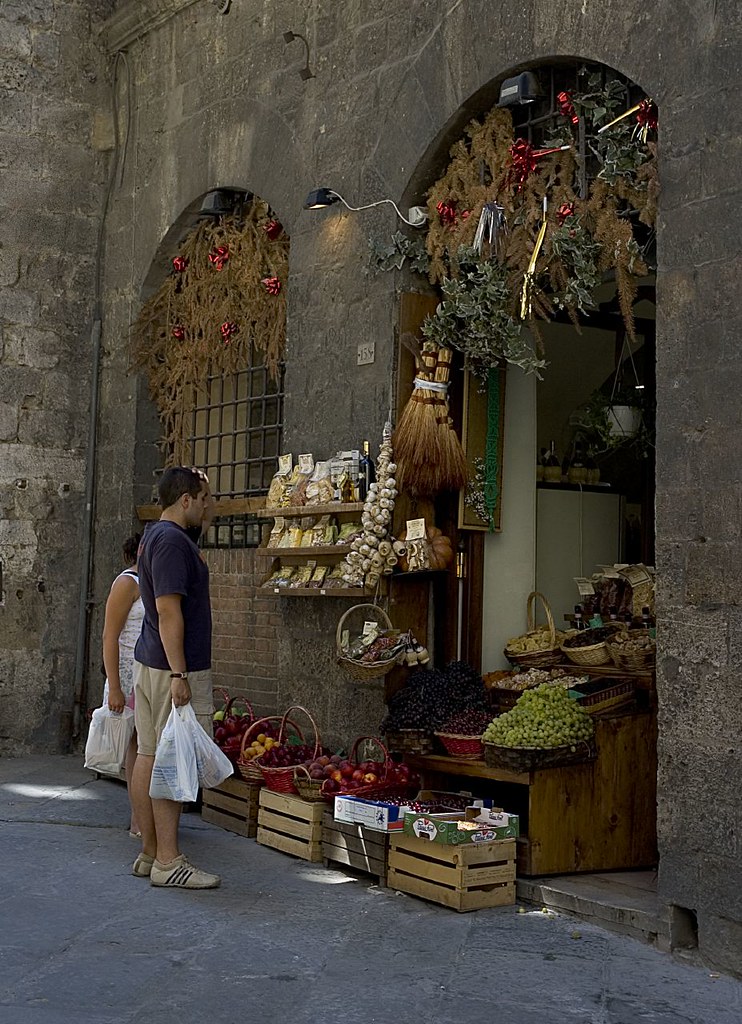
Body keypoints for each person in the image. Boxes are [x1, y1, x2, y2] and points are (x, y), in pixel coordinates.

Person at [129, 466, 220, 889]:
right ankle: (169, 859)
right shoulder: (169, 542)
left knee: (151, 755)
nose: (208, 506)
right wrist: (180, 673)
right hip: (170, 669)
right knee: (168, 760)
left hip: (153, 663)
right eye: (203, 498)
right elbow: (168, 612)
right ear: (185, 500)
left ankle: (151, 852)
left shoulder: (157, 536)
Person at [101, 533, 144, 837]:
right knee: (136, 744)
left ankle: (140, 818)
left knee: (143, 744)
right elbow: (109, 636)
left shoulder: (152, 583)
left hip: (146, 674)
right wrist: (114, 686)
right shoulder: (127, 583)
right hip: (127, 676)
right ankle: (138, 820)